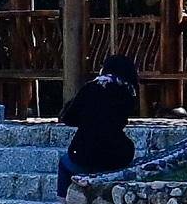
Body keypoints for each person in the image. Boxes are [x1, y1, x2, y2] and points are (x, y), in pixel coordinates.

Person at [61, 51, 142, 187]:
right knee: (127, 146)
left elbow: (68, 117)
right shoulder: (128, 93)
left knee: (64, 163)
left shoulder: (90, 87)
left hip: (83, 155)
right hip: (115, 155)